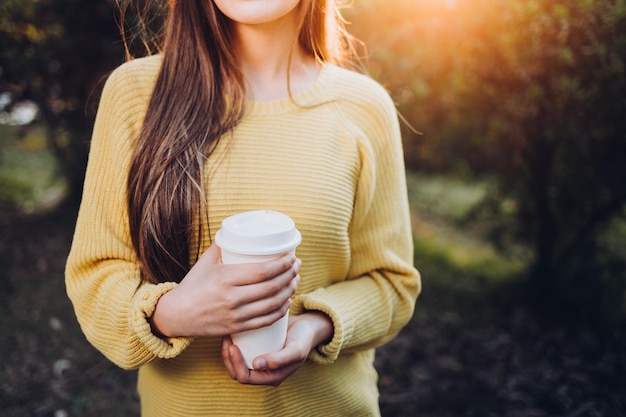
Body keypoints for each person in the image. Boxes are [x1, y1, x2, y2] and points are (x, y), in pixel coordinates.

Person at [65, 0, 421, 415]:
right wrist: (174, 314)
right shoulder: (135, 94)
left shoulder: (365, 106)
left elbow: (392, 284)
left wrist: (313, 326)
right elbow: (95, 280)